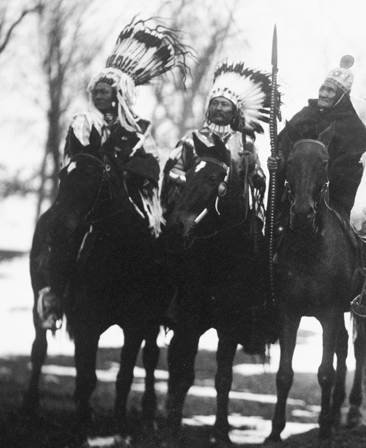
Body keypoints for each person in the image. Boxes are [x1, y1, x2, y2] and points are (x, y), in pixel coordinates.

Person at [42, 19, 189, 330]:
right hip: (85, 198)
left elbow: (151, 166)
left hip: (129, 198)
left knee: (157, 239)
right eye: (95, 91)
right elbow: (78, 158)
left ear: (118, 94)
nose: (98, 96)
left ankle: (158, 304)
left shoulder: (139, 131)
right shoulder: (83, 123)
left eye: (104, 91)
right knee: (64, 232)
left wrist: (130, 172)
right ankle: (56, 296)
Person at [162, 61, 271, 218]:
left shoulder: (245, 144)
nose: (219, 108)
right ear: (209, 107)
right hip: (193, 212)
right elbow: (172, 173)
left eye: (225, 104)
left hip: (232, 215)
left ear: (235, 111)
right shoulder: (191, 140)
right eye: (215, 103)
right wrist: (191, 181)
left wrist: (252, 167)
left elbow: (259, 182)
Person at [269, 55, 366, 217]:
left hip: (335, 203)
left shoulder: (353, 127)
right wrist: (279, 160)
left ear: (342, 96)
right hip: (295, 196)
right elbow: (283, 146)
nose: (323, 94)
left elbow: (357, 168)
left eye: (330, 90)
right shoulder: (305, 115)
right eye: (322, 89)